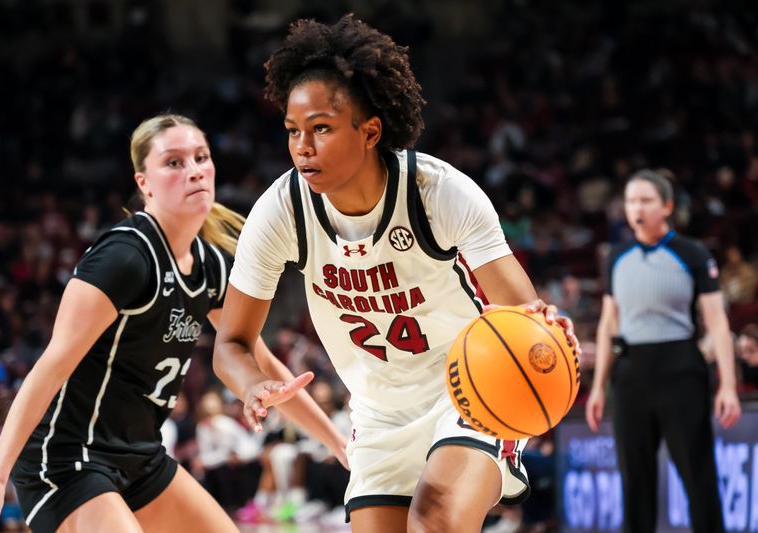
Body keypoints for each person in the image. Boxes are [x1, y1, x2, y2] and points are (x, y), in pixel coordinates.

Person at [213, 15, 577, 533]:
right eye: (292, 131)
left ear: (370, 131)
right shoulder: (281, 210)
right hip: (379, 414)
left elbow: (521, 310)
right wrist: (250, 385)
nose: (302, 147)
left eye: (321, 128)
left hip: (468, 389)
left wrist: (547, 334)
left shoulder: (437, 192)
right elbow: (231, 344)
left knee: (435, 519)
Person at [0, 113, 347, 533]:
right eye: (174, 162)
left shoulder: (213, 267)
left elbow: (263, 362)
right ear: (144, 183)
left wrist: (341, 446)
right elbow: (50, 367)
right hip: (68, 459)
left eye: (201, 157)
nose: (194, 170)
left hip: (141, 457)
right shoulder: (126, 256)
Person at [585, 169, 741, 532]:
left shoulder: (693, 253)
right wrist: (598, 387)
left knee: (697, 474)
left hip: (681, 369)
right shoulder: (616, 256)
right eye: (630, 200)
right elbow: (609, 323)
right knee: (634, 481)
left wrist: (728, 385)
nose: (636, 207)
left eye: (645, 200)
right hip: (630, 376)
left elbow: (717, 322)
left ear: (666, 206)